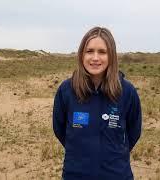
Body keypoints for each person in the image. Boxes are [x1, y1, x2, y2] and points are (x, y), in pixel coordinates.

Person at [52, 26, 142, 180]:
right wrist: (80, 154)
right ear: (81, 54)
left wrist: (113, 154)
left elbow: (134, 132)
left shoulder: (127, 91)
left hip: (117, 174)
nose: (95, 58)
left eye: (102, 52)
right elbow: (59, 129)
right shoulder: (66, 90)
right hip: (76, 174)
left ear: (111, 56)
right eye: (89, 51)